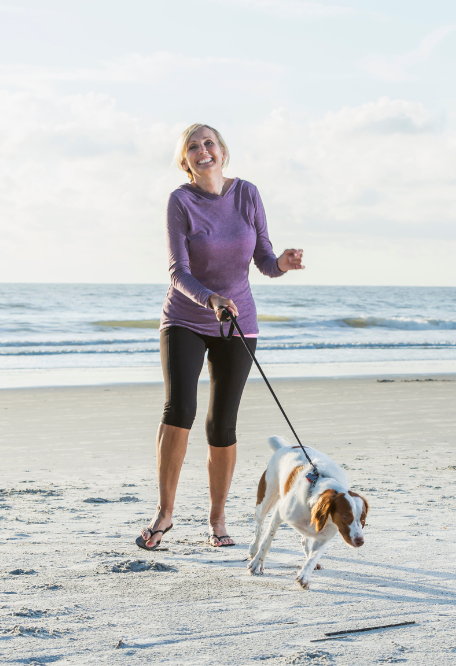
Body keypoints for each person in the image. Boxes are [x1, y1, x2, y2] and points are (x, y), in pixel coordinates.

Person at [138, 123, 304, 550]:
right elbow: (178, 272)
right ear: (185, 160)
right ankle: (165, 513)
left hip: (238, 320)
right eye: (193, 147)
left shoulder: (247, 194)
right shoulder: (181, 201)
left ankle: (217, 520)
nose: (202, 151)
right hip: (187, 318)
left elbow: (264, 260)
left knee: (221, 423)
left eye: (208, 143)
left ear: (223, 151)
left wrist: (282, 263)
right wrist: (210, 298)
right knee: (180, 409)